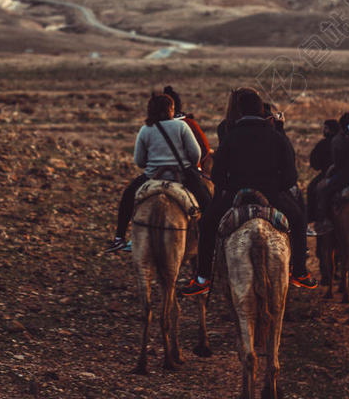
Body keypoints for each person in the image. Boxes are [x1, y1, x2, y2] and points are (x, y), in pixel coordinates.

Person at [181, 88, 317, 295]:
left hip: (237, 195)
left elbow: (217, 176)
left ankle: (203, 278)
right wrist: (275, 187)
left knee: (206, 224)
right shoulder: (276, 137)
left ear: (241, 111)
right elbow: (291, 176)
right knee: (298, 220)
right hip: (271, 194)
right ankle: (299, 272)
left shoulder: (230, 136)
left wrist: (232, 186)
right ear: (261, 110)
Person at [105, 93, 209, 253]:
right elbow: (196, 154)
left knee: (128, 196)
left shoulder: (145, 130)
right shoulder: (181, 126)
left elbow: (139, 160)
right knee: (207, 203)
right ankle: (211, 239)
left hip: (152, 178)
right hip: (181, 177)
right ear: (170, 109)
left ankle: (119, 238)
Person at [163, 86, 211, 160]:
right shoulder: (188, 124)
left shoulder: (150, 128)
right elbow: (204, 150)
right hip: (185, 168)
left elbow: (141, 160)